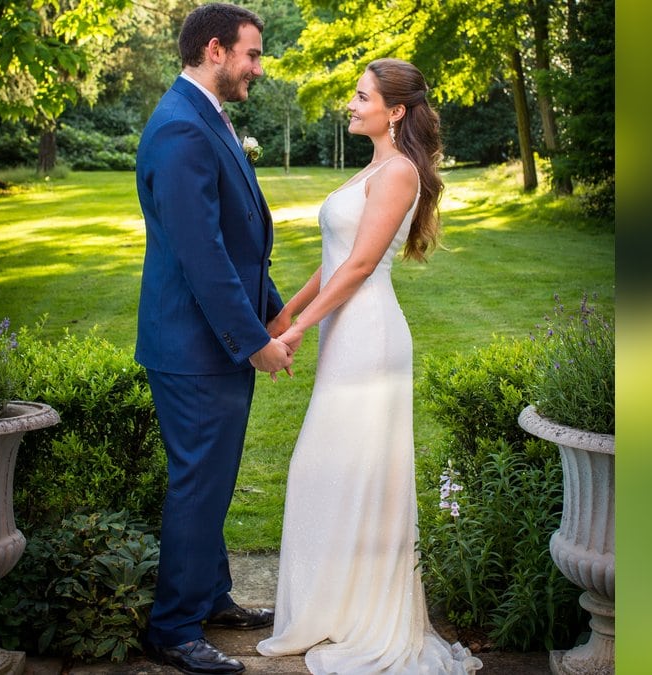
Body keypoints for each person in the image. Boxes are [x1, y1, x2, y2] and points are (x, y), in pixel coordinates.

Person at [255, 58, 483, 674]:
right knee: (329, 470)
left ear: (396, 110)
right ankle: (333, 609)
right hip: (346, 333)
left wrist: (298, 330)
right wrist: (287, 313)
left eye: (362, 97)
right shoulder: (377, 167)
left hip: (370, 338)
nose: (351, 106)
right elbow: (336, 261)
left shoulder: (401, 172)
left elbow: (359, 269)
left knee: (334, 470)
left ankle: (361, 616)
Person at [134, 4, 294, 674]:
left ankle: (211, 595)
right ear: (215, 49)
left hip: (209, 344)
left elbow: (235, 237)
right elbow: (201, 257)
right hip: (195, 348)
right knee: (198, 484)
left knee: (213, 480)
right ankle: (173, 627)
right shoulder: (180, 128)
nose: (258, 68)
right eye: (252, 55)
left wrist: (276, 308)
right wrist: (252, 338)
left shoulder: (203, 116)